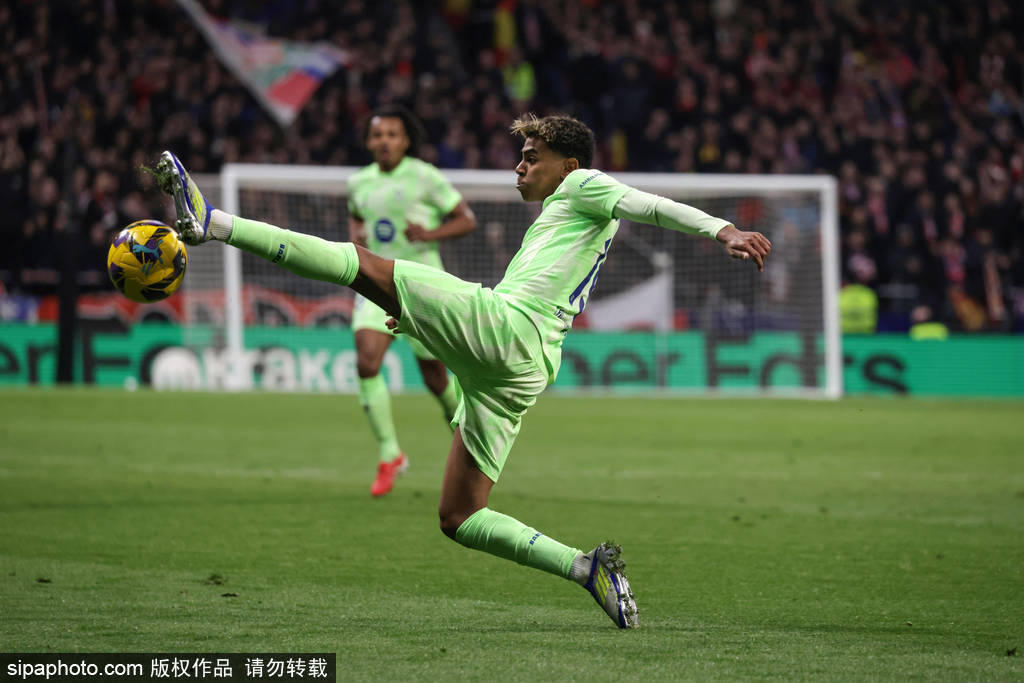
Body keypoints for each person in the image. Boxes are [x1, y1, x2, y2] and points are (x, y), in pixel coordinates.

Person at [154, 113, 771, 629]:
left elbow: (649, 205)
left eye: (531, 157)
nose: (519, 167)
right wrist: (424, 323)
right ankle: (586, 568)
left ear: (567, 164)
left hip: (512, 330)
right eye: (520, 157)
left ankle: (214, 224)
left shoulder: (584, 185)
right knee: (460, 516)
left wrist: (722, 229)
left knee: (359, 263)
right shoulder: (562, 213)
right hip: (524, 364)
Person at [348, 106, 477, 497]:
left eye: (392, 134)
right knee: (367, 361)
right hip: (375, 282)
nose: (384, 141)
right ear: (368, 142)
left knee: (435, 378)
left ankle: (467, 440)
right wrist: (358, 237)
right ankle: (390, 454)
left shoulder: (425, 176)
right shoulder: (358, 183)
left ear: (405, 141)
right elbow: (357, 219)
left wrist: (430, 234)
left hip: (420, 285)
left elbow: (466, 219)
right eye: (377, 135)